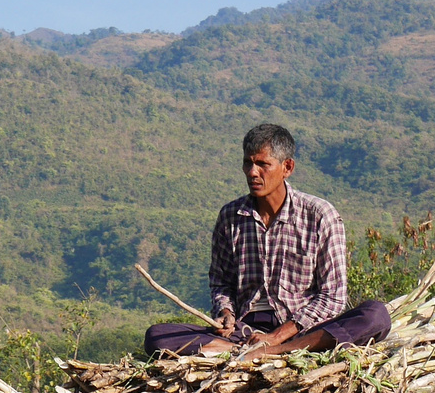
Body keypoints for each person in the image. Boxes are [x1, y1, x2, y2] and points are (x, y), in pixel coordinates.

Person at [145, 123, 391, 359]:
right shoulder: (231, 217)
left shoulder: (319, 215)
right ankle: (237, 352)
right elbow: (221, 283)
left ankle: (274, 354)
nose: (253, 172)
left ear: (287, 167)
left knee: (375, 316)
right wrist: (226, 314)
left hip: (302, 329)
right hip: (245, 333)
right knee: (157, 336)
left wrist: (275, 338)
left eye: (263, 164)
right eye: (248, 163)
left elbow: (333, 297)